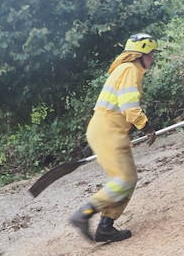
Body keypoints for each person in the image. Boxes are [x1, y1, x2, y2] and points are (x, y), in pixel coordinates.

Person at [68, 33, 159, 243]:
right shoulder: (130, 70)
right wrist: (146, 126)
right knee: (124, 179)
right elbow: (129, 106)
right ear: (140, 55)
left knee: (128, 179)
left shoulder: (126, 69)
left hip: (110, 129)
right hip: (107, 129)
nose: (153, 58)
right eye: (151, 54)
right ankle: (84, 214)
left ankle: (106, 227)